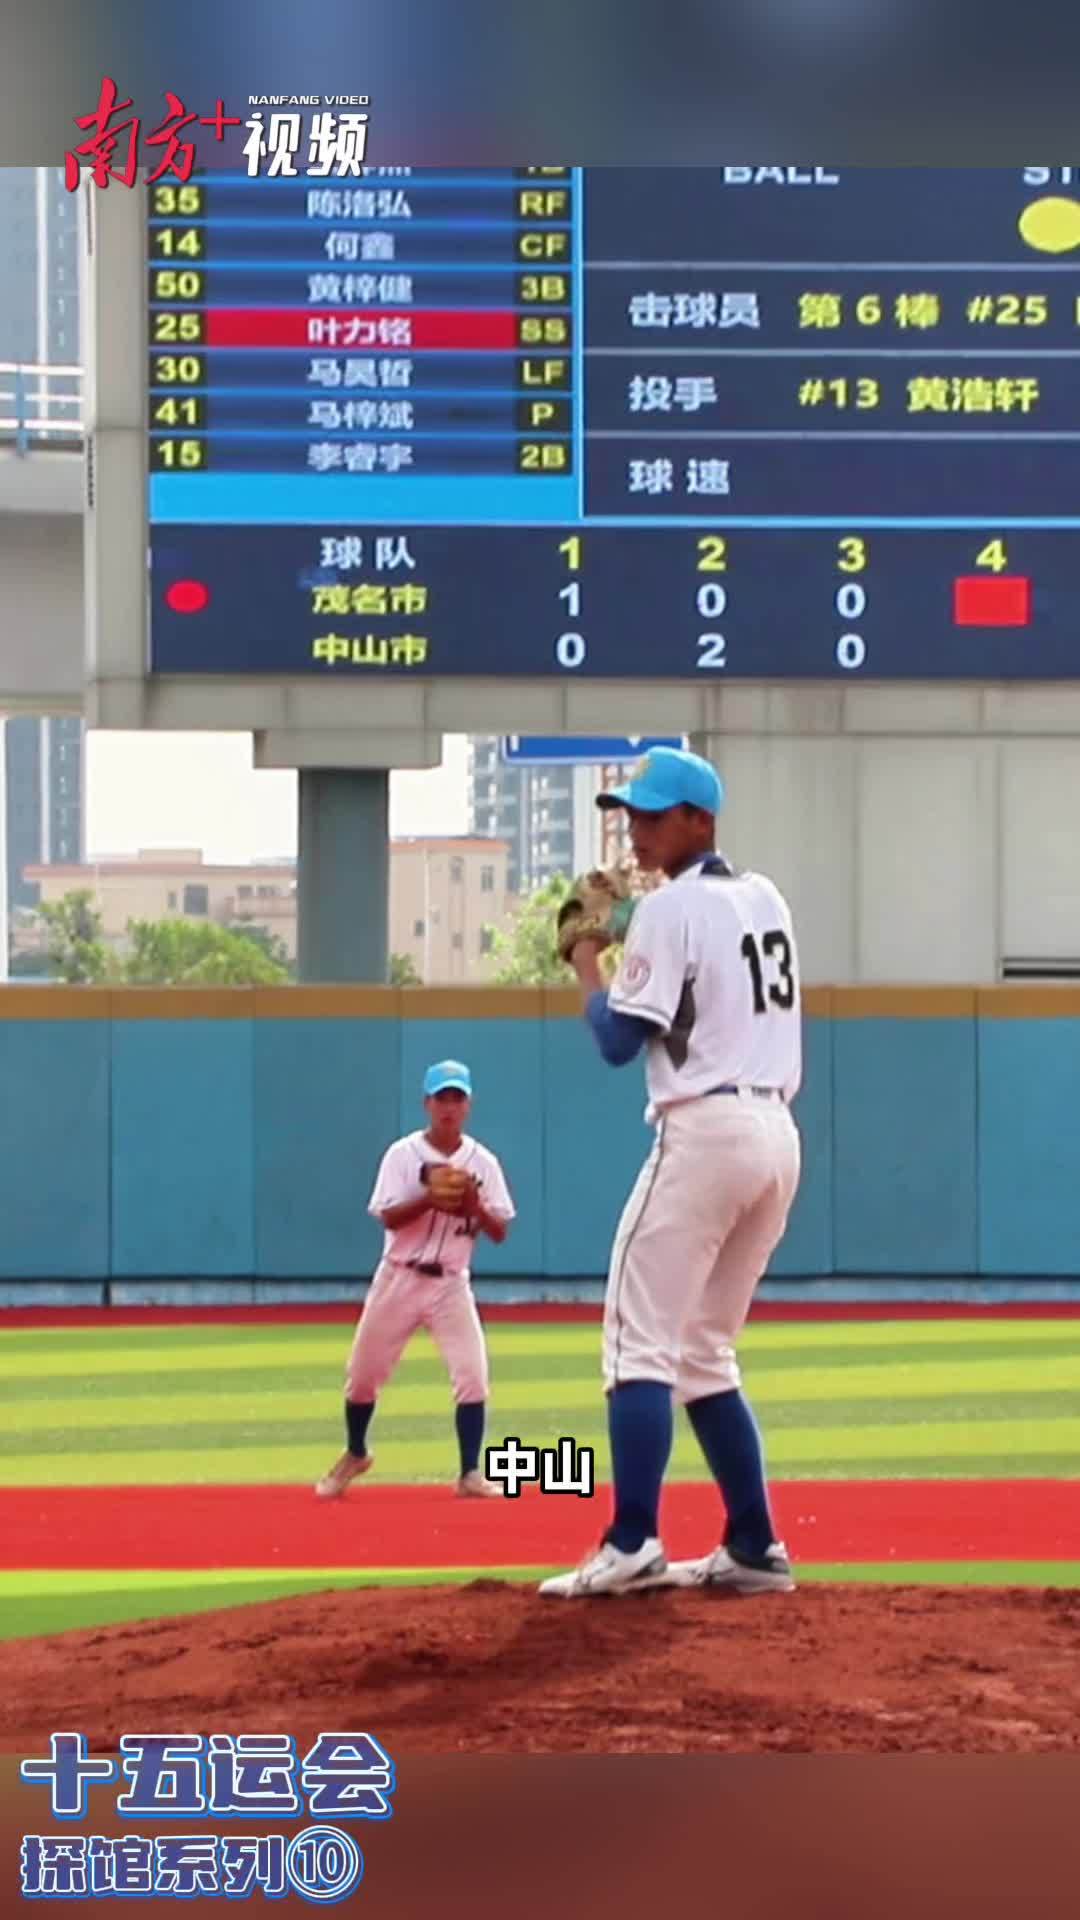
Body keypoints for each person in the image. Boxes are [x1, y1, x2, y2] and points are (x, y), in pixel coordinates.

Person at [539, 746, 802, 1598]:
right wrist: (629, 930)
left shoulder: (668, 908)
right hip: (776, 1137)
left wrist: (587, 957)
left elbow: (620, 1042)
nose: (638, 830)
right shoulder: (765, 896)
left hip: (707, 1130)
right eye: (632, 814)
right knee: (703, 1351)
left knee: (637, 1341)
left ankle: (631, 1543)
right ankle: (754, 1546)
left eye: (655, 815)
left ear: (701, 819)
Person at [315, 1059, 515, 1501]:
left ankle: (469, 1473)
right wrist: (429, 1199)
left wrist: (476, 1209)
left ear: (468, 1105)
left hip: (450, 1283)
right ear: (427, 1103)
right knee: (363, 1375)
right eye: (441, 1098)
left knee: (473, 1375)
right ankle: (355, 1452)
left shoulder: (483, 1162)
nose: (449, 1107)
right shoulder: (402, 1155)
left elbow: (500, 1230)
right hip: (399, 1277)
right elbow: (387, 1216)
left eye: (457, 1098)